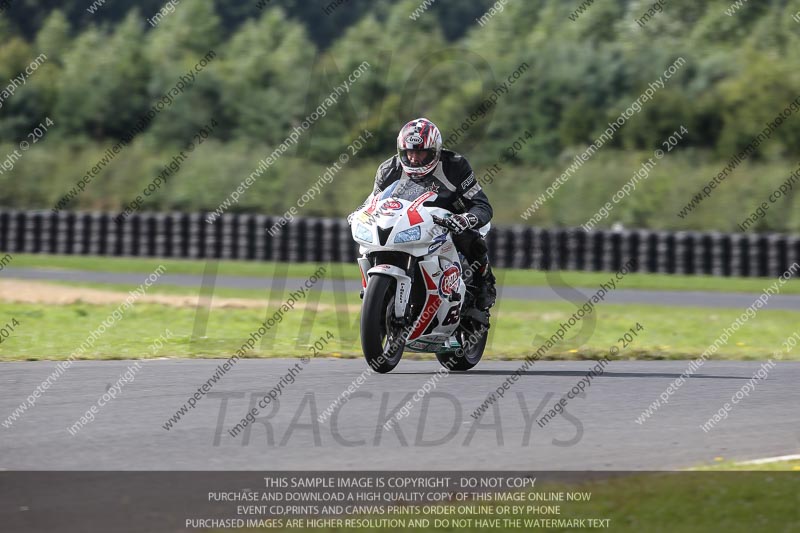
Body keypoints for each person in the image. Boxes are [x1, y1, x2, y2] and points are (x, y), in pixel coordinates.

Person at [351, 117, 496, 309]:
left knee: (469, 236)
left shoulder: (455, 166)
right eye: (409, 152)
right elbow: (373, 202)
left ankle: (484, 283)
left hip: (447, 218)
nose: (413, 158)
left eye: (421, 153)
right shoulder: (388, 169)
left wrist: (465, 219)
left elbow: (481, 205)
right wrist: (358, 213)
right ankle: (375, 292)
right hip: (408, 222)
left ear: (435, 151)